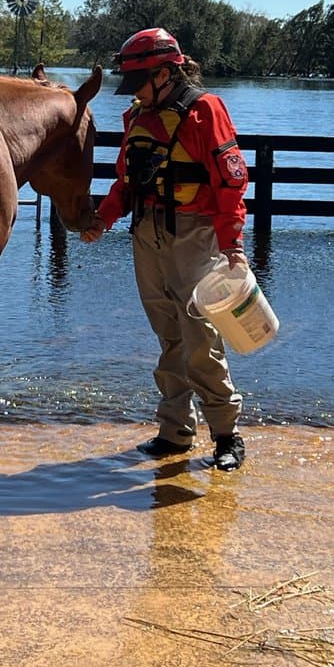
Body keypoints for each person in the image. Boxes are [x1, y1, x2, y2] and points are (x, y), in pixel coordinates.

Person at [81, 27, 249, 471]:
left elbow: (231, 182)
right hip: (146, 232)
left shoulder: (204, 109)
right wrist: (104, 218)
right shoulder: (137, 115)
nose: (134, 92)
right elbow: (125, 181)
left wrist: (233, 245)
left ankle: (227, 436)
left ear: (167, 73)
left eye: (140, 82)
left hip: (194, 233)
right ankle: (175, 432)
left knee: (200, 337)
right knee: (168, 337)